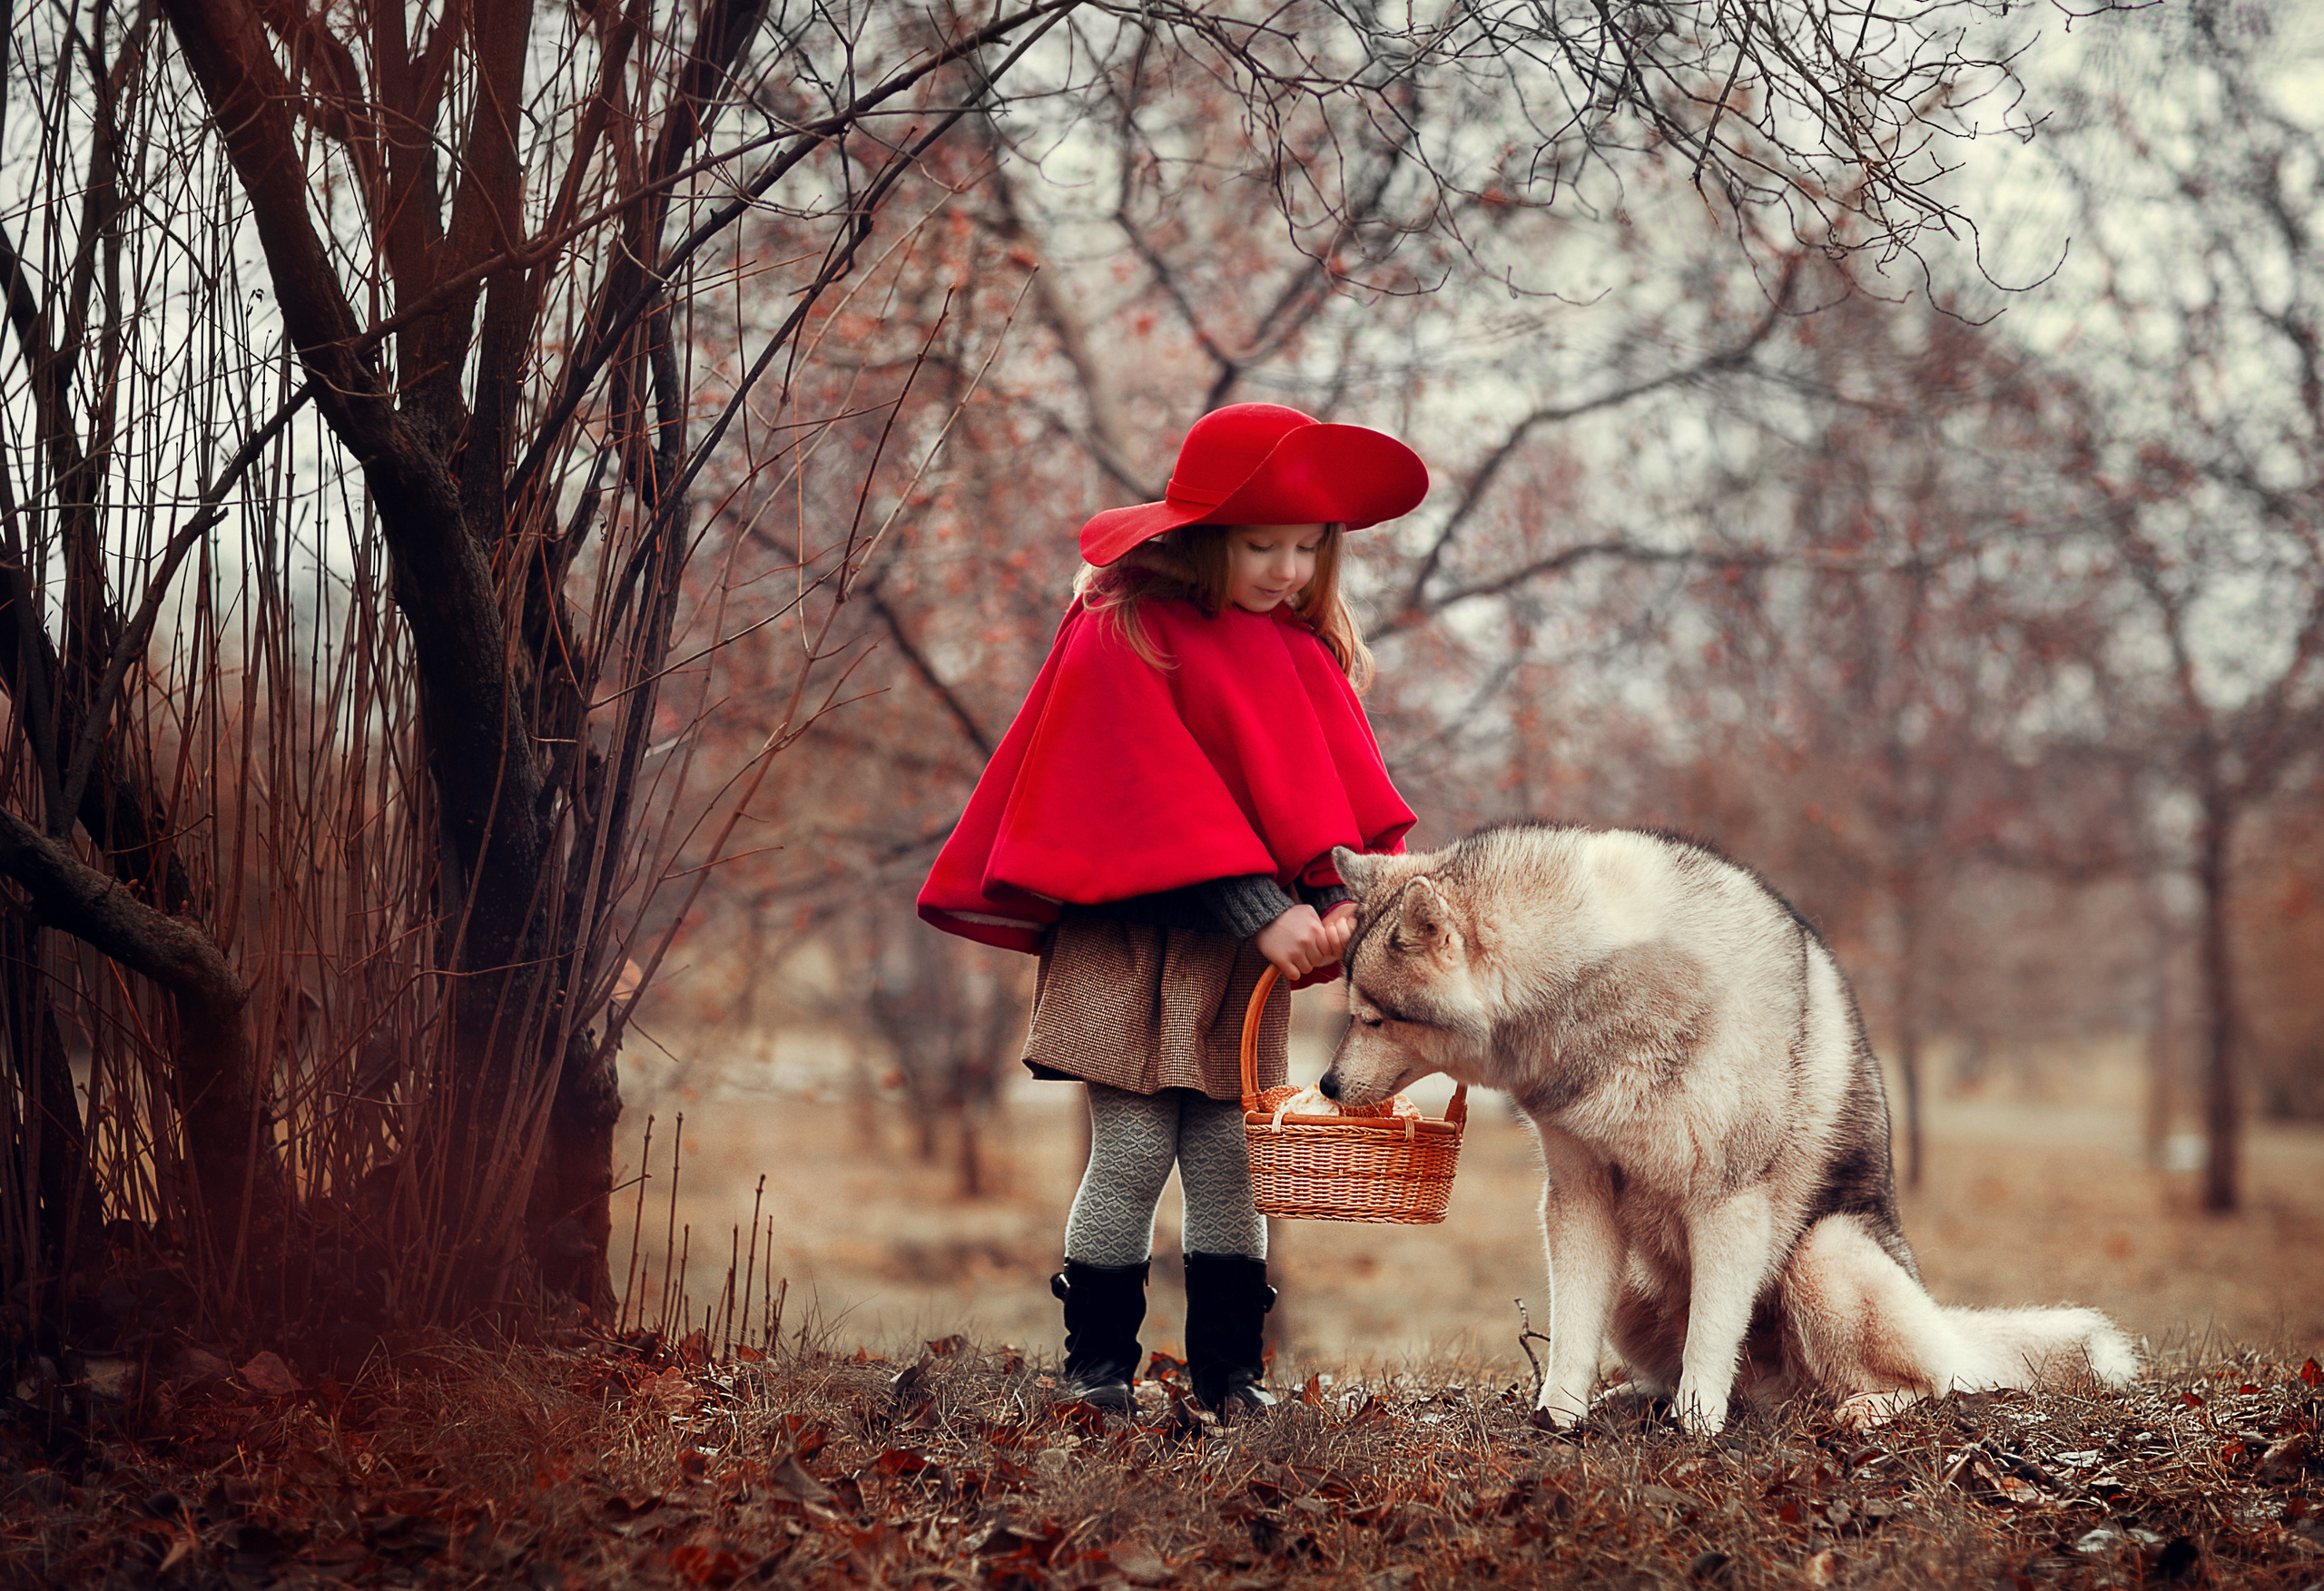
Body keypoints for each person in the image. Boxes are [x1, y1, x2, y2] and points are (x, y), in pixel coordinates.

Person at [918, 402, 1425, 1414]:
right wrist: (1260, 908)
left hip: (1234, 973)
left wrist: (1334, 906)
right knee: (1136, 1148)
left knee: (1231, 1160)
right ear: (1203, 537)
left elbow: (1325, 805)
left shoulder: (1299, 654)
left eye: (1305, 547)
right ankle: (1095, 1370)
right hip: (1125, 946)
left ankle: (1229, 1377)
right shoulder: (1125, 631)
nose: (1286, 570)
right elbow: (1142, 803)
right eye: (1259, 546)